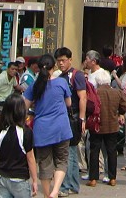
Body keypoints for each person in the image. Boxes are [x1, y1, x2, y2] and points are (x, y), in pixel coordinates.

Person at [23, 54, 72, 198]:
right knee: (62, 160)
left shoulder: (34, 86)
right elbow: (69, 103)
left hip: (42, 130)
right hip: (61, 127)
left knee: (45, 164)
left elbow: (24, 106)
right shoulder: (62, 83)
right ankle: (55, 190)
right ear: (54, 66)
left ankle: (46, 194)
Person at [0, 94, 39, 198]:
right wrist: (35, 180)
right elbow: (30, 158)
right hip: (19, 179)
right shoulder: (26, 132)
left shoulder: (1, 131)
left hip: (2, 177)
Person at [54, 47, 87, 197]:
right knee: (71, 152)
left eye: (63, 60)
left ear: (70, 60)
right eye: (58, 61)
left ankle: (67, 186)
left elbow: (83, 97)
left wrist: (81, 118)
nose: (60, 63)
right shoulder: (61, 76)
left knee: (67, 153)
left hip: (73, 118)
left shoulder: (77, 75)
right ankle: (73, 185)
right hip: (65, 117)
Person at [88, 62, 125, 187]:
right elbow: (123, 106)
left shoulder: (95, 93)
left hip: (97, 125)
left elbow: (90, 107)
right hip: (112, 125)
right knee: (111, 151)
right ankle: (112, 177)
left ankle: (93, 178)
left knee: (94, 151)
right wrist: (120, 113)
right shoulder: (117, 92)